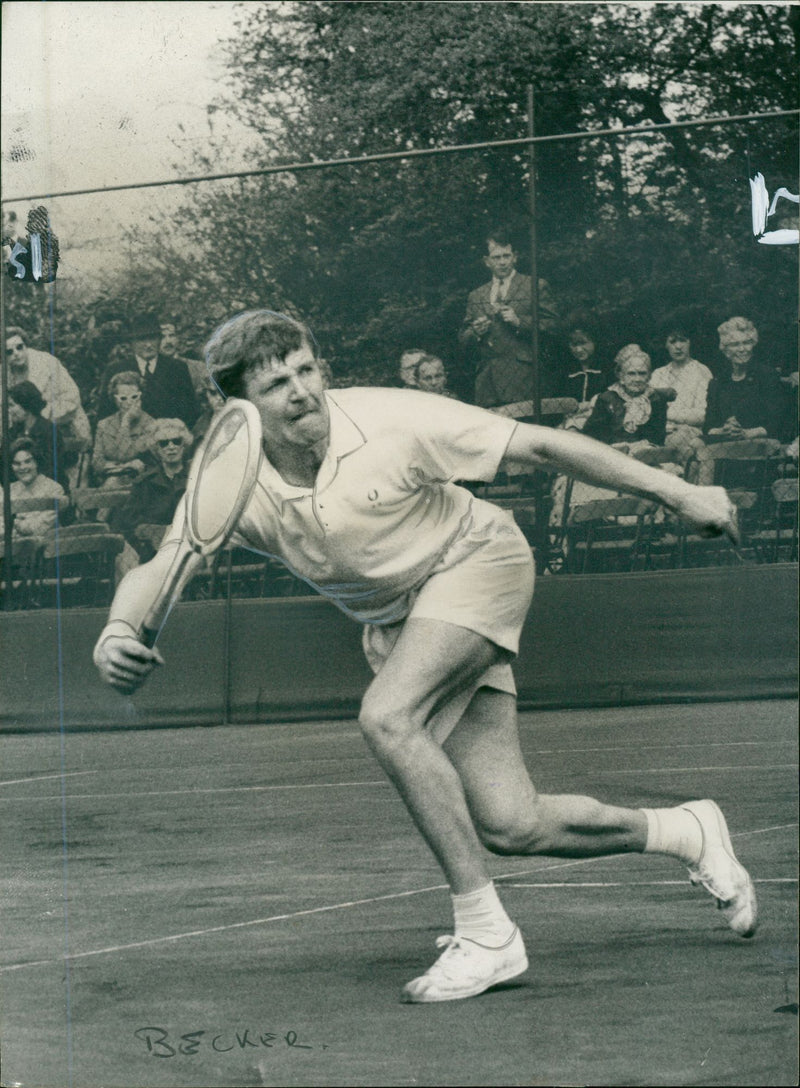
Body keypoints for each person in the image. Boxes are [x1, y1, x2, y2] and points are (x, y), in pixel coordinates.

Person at [94, 310, 755, 1005]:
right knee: (512, 823)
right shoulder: (229, 474)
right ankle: (688, 830)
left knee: (387, 717)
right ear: (236, 406)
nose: (301, 392)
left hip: (478, 562)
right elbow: (167, 562)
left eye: (306, 370)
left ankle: (487, 934)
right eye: (274, 384)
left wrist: (678, 491)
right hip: (400, 620)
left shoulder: (392, 419)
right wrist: (116, 629)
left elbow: (545, 446)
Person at [458, 228, 558, 408]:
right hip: (487, 386)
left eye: (506, 256)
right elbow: (463, 339)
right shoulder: (476, 295)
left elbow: (554, 328)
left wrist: (520, 322)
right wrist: (475, 332)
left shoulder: (535, 286)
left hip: (525, 382)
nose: (502, 262)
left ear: (515, 257)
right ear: (487, 261)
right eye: (496, 258)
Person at [5, 325, 92, 476]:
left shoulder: (46, 363)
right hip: (25, 435)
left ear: (26, 345)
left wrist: (40, 417)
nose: (16, 354)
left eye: (20, 347)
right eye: (9, 351)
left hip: (65, 426)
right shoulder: (3, 374)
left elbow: (72, 397)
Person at [109, 418, 192, 577]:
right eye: (164, 443)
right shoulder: (144, 483)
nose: (171, 447)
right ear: (157, 449)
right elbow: (128, 520)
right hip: (154, 550)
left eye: (176, 441)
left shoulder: (198, 477)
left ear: (184, 445)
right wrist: (152, 531)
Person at [97, 312, 200, 429]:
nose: (148, 345)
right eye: (141, 339)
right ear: (132, 343)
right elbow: (104, 415)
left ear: (159, 340)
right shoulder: (115, 370)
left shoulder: (177, 368)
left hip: (169, 441)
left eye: (152, 338)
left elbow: (191, 412)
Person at [705, 317, 791, 445]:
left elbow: (778, 422)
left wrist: (747, 433)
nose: (742, 349)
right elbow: (708, 426)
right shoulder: (718, 382)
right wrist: (723, 430)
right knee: (695, 444)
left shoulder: (767, 376)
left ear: (753, 344)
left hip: (759, 445)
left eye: (746, 343)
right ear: (726, 350)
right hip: (723, 443)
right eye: (735, 344)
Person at [583, 344, 675, 459]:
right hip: (611, 452)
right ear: (621, 376)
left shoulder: (656, 400)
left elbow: (657, 437)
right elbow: (591, 433)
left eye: (642, 373)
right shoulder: (607, 398)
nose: (637, 379)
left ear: (649, 376)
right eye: (631, 373)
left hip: (644, 454)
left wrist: (640, 446)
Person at [649, 328, 714, 482]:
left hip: (690, 432)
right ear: (666, 344)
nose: (678, 346)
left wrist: (668, 416)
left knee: (679, 440)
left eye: (683, 340)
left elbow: (703, 415)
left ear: (690, 342)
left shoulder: (701, 371)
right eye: (673, 341)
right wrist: (663, 424)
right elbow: (647, 410)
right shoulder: (658, 374)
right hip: (661, 431)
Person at [91, 371, 158, 487]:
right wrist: (122, 467)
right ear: (115, 399)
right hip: (110, 479)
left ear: (141, 396)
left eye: (134, 397)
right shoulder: (104, 424)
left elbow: (125, 454)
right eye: (123, 398)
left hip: (142, 483)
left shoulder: (150, 424)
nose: (129, 402)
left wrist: (125, 421)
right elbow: (96, 462)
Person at [2, 381, 65, 484]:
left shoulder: (49, 431)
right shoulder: (12, 433)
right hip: (18, 488)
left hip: (47, 488)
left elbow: (52, 468)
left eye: (12, 405)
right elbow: (4, 467)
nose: (9, 410)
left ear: (26, 405)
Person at [8, 437, 68, 544]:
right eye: (16, 463)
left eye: (28, 461)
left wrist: (15, 523)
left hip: (44, 547)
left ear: (36, 462)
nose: (22, 467)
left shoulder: (54, 489)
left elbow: (39, 528)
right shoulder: (10, 489)